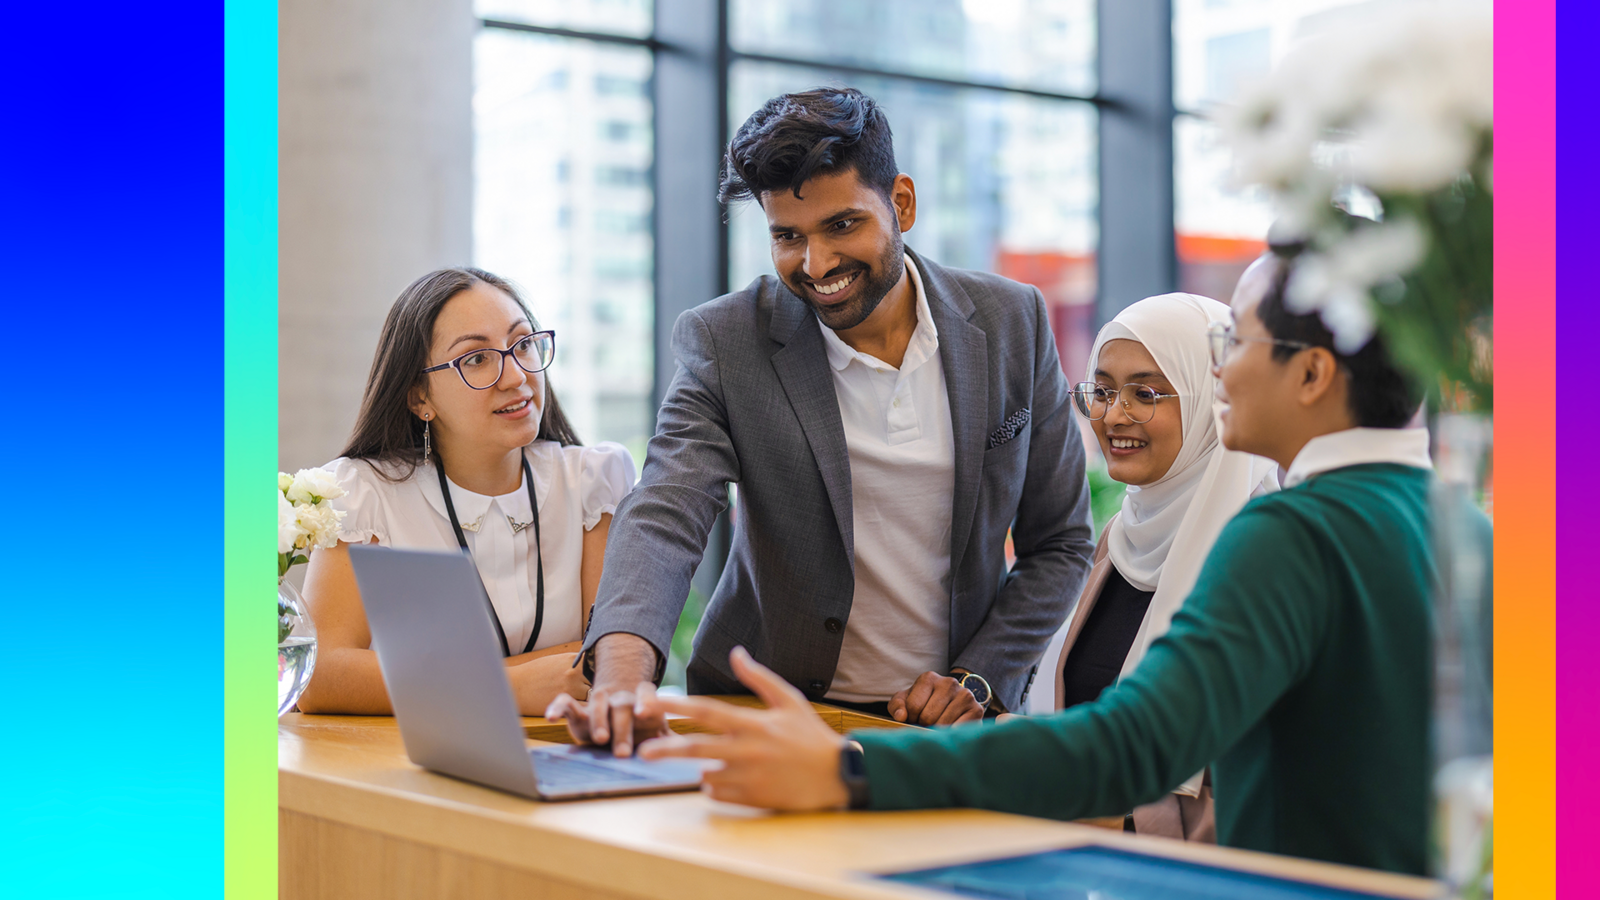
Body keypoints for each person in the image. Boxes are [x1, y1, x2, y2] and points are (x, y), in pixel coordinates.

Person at [638, 248, 1443, 876]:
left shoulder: (1287, 533)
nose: (1222, 366)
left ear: (1310, 373)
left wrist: (855, 766)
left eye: (1237, 341)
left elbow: (1134, 747)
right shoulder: (1454, 529)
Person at [546, 87, 1095, 755]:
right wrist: (624, 679)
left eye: (841, 226)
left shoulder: (1013, 321)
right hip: (772, 713)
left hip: (940, 731)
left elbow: (1060, 544)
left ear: (902, 204)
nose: (817, 266)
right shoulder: (727, 342)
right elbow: (666, 512)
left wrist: (977, 679)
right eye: (787, 237)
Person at [295, 267, 633, 716]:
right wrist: (509, 686)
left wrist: (417, 678)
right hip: (406, 767)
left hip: (565, 752)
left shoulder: (593, 481)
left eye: (523, 344)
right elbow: (322, 677)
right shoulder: (366, 493)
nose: (515, 376)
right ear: (420, 398)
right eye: (476, 359)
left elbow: (609, 657)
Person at [1042, 291, 1278, 840]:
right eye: (1100, 391)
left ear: (1214, 399)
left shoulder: (1263, 556)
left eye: (1145, 393)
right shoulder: (1121, 540)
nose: (1112, 415)